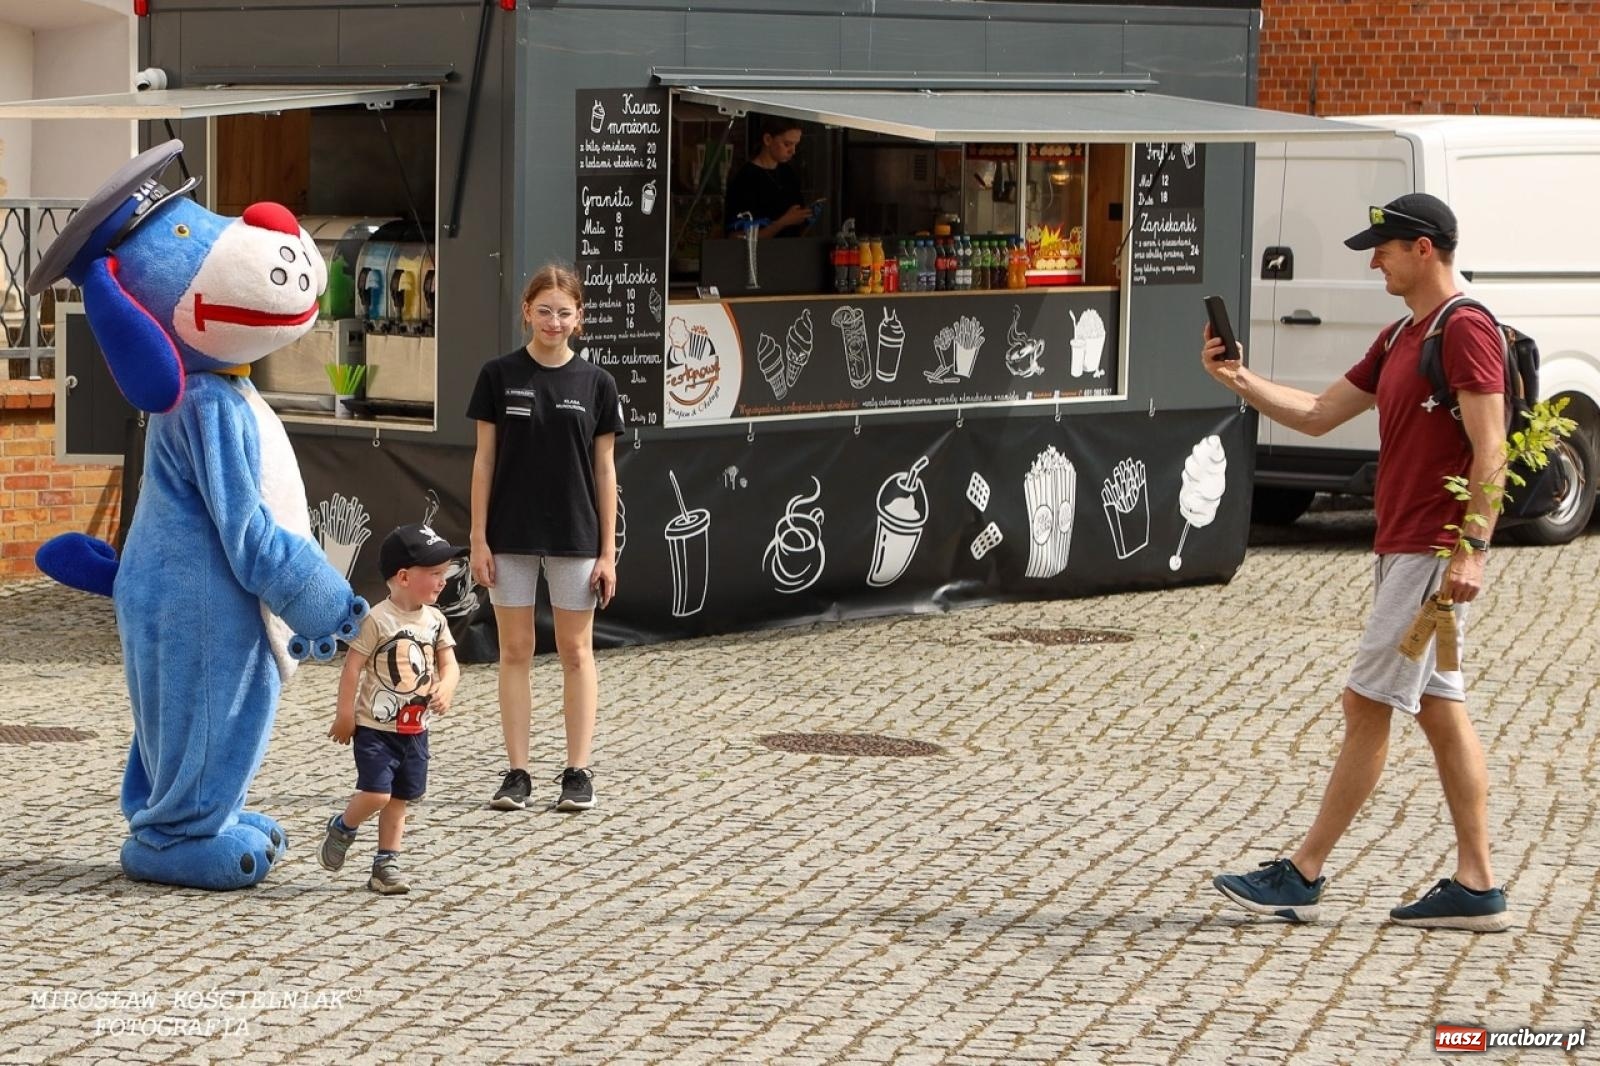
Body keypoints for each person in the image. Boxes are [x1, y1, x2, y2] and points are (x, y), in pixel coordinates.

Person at [1203, 193, 1512, 932]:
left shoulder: (1463, 329)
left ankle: (1303, 872)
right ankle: (1477, 886)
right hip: (1402, 545)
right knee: (1439, 709)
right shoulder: (1402, 336)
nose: (1374, 259)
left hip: (1431, 553)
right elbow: (1316, 414)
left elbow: (1492, 444)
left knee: (1366, 703)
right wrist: (1238, 380)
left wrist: (1471, 547)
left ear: (1425, 250)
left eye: (1384, 247)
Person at [467, 264, 624, 813]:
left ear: (579, 319)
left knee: (576, 652)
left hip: (575, 536)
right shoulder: (497, 374)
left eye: (564, 312)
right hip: (509, 534)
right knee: (515, 651)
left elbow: (605, 471)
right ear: (525, 312)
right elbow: (484, 461)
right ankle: (517, 773)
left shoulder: (597, 384)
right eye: (544, 310)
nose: (553, 321)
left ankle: (577, 771)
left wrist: (608, 551)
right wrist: (478, 538)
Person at [319, 522, 464, 895]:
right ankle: (343, 827)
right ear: (403, 576)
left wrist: (445, 687)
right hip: (375, 730)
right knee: (377, 794)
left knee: (400, 799)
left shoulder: (435, 621)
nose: (442, 581)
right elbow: (352, 667)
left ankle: (386, 863)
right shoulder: (376, 619)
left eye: (443, 573)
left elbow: (450, 665)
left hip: (416, 731)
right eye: (434, 573)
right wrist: (345, 715)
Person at [723, 116, 814, 239]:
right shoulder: (745, 179)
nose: (793, 151)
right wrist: (782, 222)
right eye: (787, 144)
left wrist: (805, 218)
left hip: (789, 251)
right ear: (768, 140)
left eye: (795, 145)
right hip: (758, 255)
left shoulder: (788, 174)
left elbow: (795, 227)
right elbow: (736, 236)